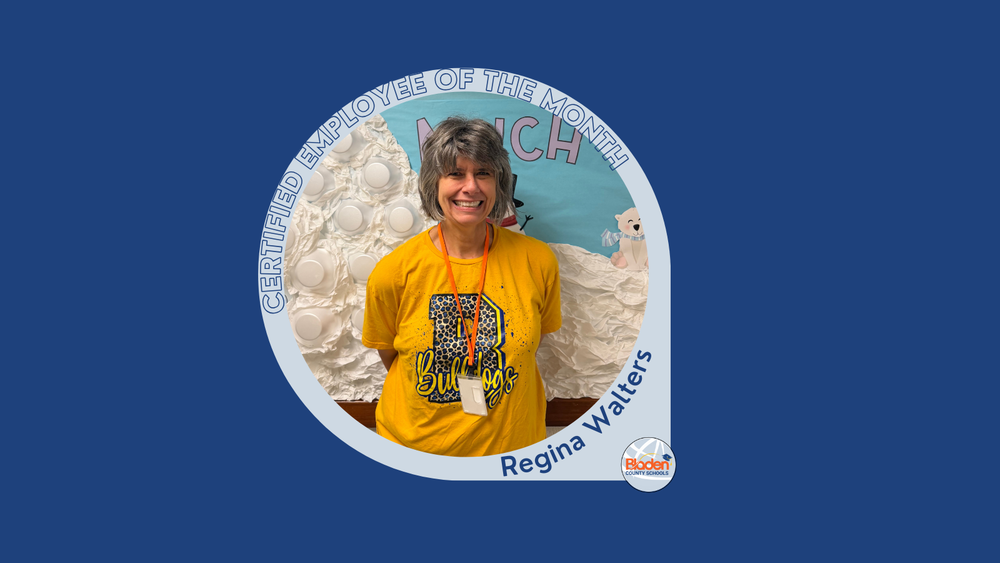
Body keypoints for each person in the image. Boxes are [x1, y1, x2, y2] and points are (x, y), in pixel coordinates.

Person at [362, 117, 561, 457]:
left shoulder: (538, 261)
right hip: (415, 450)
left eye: (483, 173)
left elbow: (529, 343)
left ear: (498, 183)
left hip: (512, 450)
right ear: (433, 183)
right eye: (455, 173)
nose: (471, 187)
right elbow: (392, 356)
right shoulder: (393, 272)